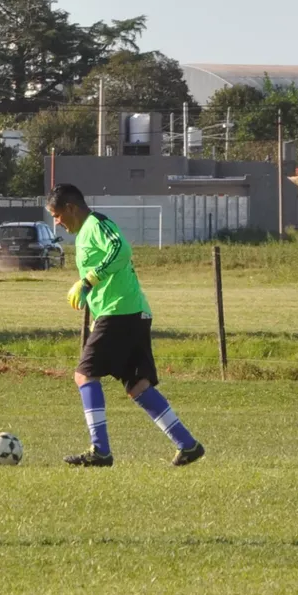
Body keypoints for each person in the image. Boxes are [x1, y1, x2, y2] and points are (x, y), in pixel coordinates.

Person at [46, 184, 205, 468]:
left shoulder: (97, 224)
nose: (56, 222)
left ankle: (100, 451)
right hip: (128, 313)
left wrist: (88, 280)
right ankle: (188, 445)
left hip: (120, 312)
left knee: (84, 376)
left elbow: (122, 249)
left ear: (71, 207)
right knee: (137, 386)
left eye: (57, 215)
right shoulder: (84, 234)